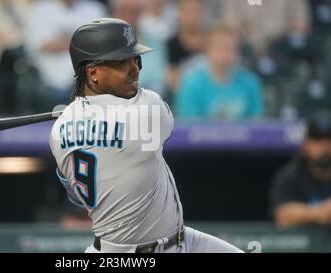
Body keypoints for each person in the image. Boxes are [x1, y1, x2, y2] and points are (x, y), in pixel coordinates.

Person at [49, 18, 243, 253]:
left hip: (177, 241)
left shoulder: (59, 129)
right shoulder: (148, 108)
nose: (135, 69)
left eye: (136, 59)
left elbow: (74, 195)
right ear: (93, 73)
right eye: (122, 62)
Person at [175, 25, 264, 120]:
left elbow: (256, 125)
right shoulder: (191, 85)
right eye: (221, 48)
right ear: (208, 50)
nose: (226, 54)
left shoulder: (251, 83)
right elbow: (189, 128)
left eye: (231, 49)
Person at [270, 110, 331, 228]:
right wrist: (322, 212)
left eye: (329, 139)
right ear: (306, 144)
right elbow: (283, 216)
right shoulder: (291, 174)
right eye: (317, 139)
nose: (325, 146)